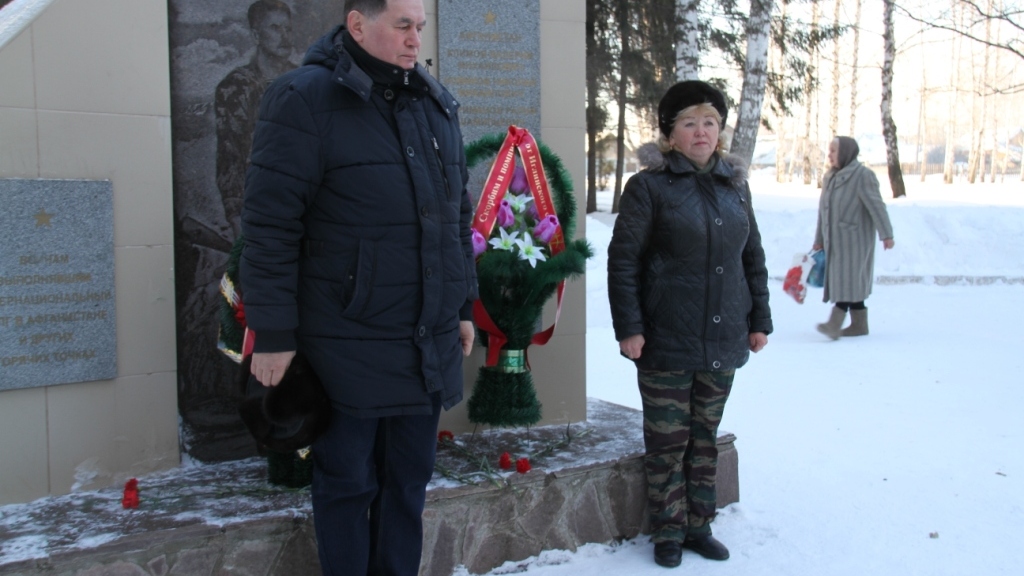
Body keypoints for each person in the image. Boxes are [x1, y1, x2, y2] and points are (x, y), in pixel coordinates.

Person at [238, 0, 478, 573]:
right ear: (357, 25)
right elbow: (270, 226)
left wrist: (463, 304)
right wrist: (274, 333)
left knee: (408, 483)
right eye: (403, 25)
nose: (415, 39)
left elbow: (455, 216)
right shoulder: (303, 99)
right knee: (347, 484)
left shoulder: (434, 102)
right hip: (344, 342)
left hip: (424, 341)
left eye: (420, 27)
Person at [607, 80, 772, 569]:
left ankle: (699, 526)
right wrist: (630, 327)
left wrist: (759, 319)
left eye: (710, 122)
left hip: (723, 335)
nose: (702, 132)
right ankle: (668, 531)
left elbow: (752, 258)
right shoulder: (648, 188)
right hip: (665, 338)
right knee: (667, 442)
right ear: (670, 133)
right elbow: (624, 262)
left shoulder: (735, 186)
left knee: (705, 438)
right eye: (690, 123)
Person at [215, 0, 296, 238]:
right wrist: (236, 219)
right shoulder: (236, 87)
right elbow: (230, 155)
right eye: (275, 28)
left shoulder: (306, 82)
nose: (284, 37)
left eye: (288, 29)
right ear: (256, 35)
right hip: (260, 210)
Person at [812, 136, 894, 339]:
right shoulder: (830, 177)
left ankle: (834, 324)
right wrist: (819, 239)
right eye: (829, 151)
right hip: (835, 242)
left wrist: (886, 234)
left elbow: (877, 206)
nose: (829, 155)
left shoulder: (862, 176)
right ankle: (859, 324)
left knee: (847, 281)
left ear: (846, 153)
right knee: (849, 282)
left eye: (833, 151)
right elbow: (823, 212)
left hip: (855, 242)